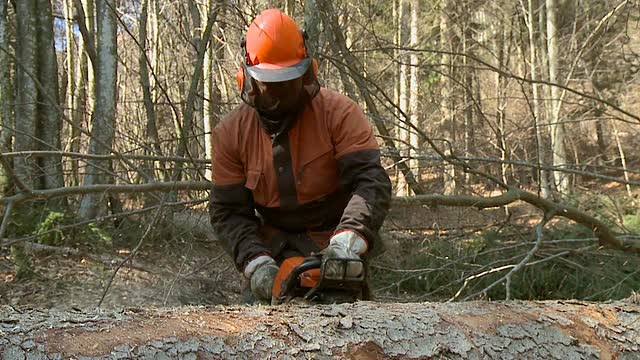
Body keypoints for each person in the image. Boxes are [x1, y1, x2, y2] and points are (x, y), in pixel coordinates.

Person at [209, 8, 391, 303]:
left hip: (335, 241)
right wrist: (256, 262)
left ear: (307, 72)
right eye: (270, 86)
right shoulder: (230, 133)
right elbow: (228, 211)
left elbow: (370, 181)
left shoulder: (339, 113)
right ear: (247, 80)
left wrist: (349, 239)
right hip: (272, 247)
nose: (279, 96)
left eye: (288, 83)